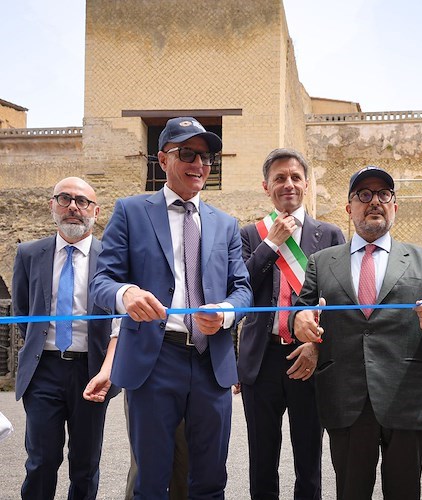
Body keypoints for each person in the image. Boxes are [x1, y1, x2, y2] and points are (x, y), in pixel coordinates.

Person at [90, 117, 253, 499]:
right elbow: (102, 281)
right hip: (154, 360)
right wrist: (126, 293)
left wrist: (226, 313)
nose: (199, 164)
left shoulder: (226, 224)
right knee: (151, 477)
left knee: (211, 478)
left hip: (210, 361)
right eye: (188, 154)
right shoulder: (130, 211)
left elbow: (243, 288)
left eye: (207, 156)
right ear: (163, 159)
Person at [290, 165, 422, 500]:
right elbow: (301, 309)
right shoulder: (321, 262)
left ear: (395, 206)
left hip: (406, 397)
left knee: (404, 492)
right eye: (364, 195)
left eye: (384, 195)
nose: (375, 202)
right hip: (346, 397)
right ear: (349, 208)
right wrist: (300, 322)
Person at [238, 148, 345, 499]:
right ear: (266, 186)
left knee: (309, 461)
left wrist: (317, 346)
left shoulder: (329, 235)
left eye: (295, 177)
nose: (288, 184)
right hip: (261, 359)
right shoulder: (250, 235)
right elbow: (241, 287)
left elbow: (339, 302)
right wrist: (272, 244)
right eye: (279, 178)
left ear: (307, 184)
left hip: (309, 357)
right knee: (262, 461)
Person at [12, 176, 120, 500]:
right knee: (41, 462)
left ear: (96, 211)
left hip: (90, 371)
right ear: (52, 206)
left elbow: (119, 320)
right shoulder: (29, 254)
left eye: (82, 201)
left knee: (85, 465)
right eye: (64, 199)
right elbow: (22, 311)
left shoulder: (112, 260)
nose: (73, 207)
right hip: (43, 370)